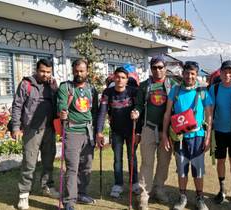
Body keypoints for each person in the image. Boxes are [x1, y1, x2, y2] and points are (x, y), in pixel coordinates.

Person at [162, 61, 213, 210]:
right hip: (180, 138)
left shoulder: (203, 92)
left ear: (196, 75)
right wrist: (165, 135)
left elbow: (209, 116)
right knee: (182, 169)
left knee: (198, 170)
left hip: (198, 137)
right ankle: (182, 196)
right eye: (187, 73)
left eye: (193, 73)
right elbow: (167, 114)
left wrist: (208, 137)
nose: (189, 76)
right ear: (182, 74)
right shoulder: (175, 91)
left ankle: (199, 198)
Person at [130, 55, 177, 210]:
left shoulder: (173, 85)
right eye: (154, 67)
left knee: (164, 162)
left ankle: (159, 189)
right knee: (147, 163)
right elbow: (139, 105)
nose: (157, 70)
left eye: (160, 67)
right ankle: (144, 195)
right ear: (151, 69)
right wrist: (136, 111)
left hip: (167, 131)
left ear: (165, 68)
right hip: (148, 128)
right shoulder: (144, 86)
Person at [11, 59, 59, 210]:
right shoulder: (26, 84)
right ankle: (24, 195)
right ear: (36, 70)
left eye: (48, 72)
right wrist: (16, 127)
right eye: (42, 71)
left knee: (48, 162)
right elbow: (17, 105)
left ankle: (47, 187)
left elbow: (58, 103)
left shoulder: (52, 85)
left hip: (49, 129)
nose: (45, 74)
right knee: (29, 164)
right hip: (31, 130)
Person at [57, 59, 98, 210]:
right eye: (76, 71)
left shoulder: (92, 89)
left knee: (86, 166)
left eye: (82, 71)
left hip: (88, 132)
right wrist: (62, 112)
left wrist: (97, 131)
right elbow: (61, 104)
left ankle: (81, 193)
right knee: (72, 167)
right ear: (73, 71)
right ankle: (69, 201)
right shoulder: (66, 87)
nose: (79, 74)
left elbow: (95, 111)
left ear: (87, 71)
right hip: (72, 131)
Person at [96, 67, 139, 198]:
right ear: (114, 78)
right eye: (118, 77)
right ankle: (118, 184)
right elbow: (102, 113)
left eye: (123, 77)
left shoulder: (133, 92)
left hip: (131, 130)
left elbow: (140, 109)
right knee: (117, 159)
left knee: (132, 158)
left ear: (127, 80)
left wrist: (138, 130)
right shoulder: (107, 92)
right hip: (116, 131)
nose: (120, 80)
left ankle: (135, 183)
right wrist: (99, 132)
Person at [208, 60, 231, 206]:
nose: (227, 74)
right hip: (219, 131)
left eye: (230, 71)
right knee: (221, 160)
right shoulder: (214, 88)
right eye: (225, 71)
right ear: (221, 72)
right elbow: (209, 111)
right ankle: (222, 189)